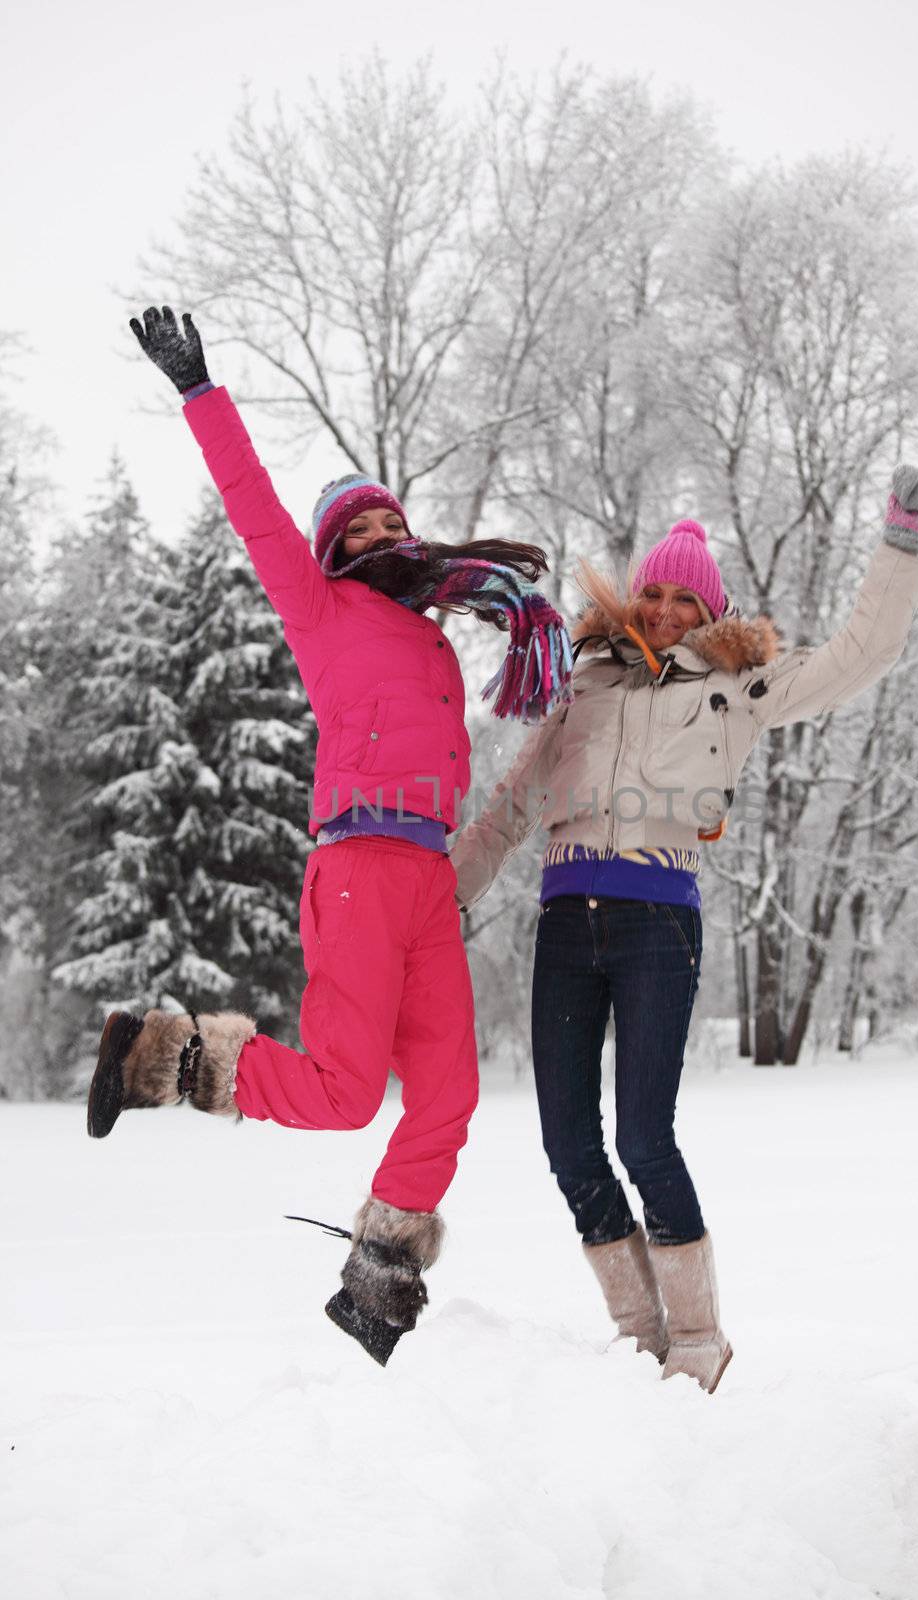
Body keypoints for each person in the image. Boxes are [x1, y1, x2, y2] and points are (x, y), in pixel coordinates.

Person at [87, 306, 572, 1366]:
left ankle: (377, 1281)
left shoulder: (437, 645)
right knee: (347, 1094)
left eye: (382, 524)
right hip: (353, 867)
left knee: (447, 1096)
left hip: (426, 885)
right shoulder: (319, 612)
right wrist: (200, 394)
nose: (372, 538)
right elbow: (256, 512)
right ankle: (153, 1052)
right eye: (350, 531)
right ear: (329, 553)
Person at [449, 470, 918, 1393]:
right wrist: (446, 896)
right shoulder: (581, 681)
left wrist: (901, 545)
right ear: (635, 598)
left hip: (654, 922)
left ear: (708, 610)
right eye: (655, 592)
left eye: (686, 598)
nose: (668, 609)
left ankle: (700, 1339)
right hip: (565, 923)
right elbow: (511, 807)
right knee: (567, 1144)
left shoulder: (736, 686)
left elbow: (858, 655)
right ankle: (639, 1335)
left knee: (644, 1138)